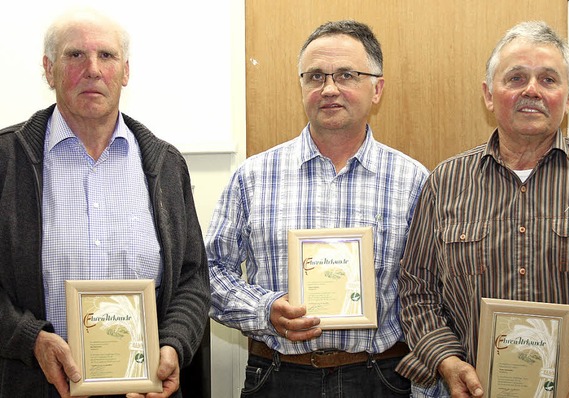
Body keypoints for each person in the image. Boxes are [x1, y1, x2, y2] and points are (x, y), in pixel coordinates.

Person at [396, 20, 569, 398]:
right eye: (515, 78)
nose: (532, 90)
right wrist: (446, 360)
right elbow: (417, 291)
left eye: (548, 79)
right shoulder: (444, 184)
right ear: (489, 95)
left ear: (568, 96)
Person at [206, 20, 428, 398]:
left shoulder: (414, 181)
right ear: (301, 86)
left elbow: (428, 290)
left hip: (380, 378)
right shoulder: (253, 176)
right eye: (314, 77)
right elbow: (208, 271)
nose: (328, 89)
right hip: (277, 376)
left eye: (346, 75)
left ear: (377, 89)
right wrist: (265, 309)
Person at [0, 8, 209, 398]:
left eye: (107, 56)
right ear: (49, 69)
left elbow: (192, 278)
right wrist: (30, 340)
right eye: (75, 55)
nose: (93, 69)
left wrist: (174, 344)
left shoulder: (164, 165)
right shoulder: (7, 160)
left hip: (143, 390)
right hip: (34, 385)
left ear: (125, 72)